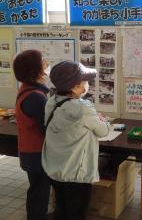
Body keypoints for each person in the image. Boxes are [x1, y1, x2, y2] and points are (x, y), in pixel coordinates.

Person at [41, 61, 110, 220]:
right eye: (85, 81)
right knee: (77, 213)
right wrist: (102, 120)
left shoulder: (52, 102)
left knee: (61, 209)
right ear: (74, 87)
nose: (87, 85)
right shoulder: (83, 108)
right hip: (76, 174)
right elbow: (103, 131)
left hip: (55, 169)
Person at [13, 49, 51, 220]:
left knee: (37, 189)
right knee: (39, 192)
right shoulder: (36, 96)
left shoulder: (27, 88)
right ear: (34, 68)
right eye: (42, 60)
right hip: (36, 153)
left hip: (29, 150)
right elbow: (46, 128)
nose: (45, 62)